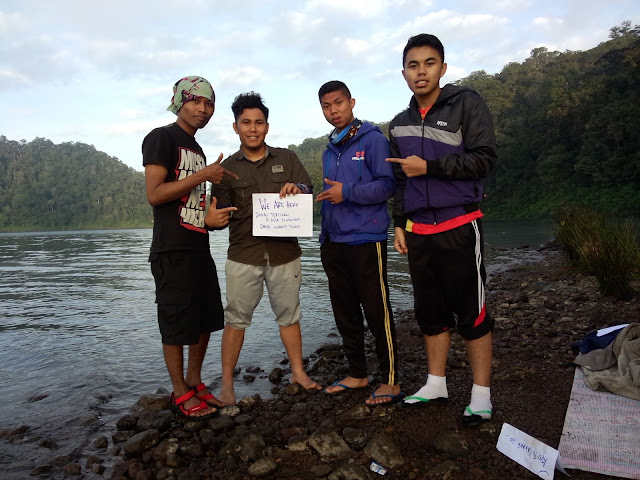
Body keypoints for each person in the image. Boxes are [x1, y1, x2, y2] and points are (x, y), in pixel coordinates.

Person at [386, 34, 498, 426]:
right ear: (404, 73)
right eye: (413, 65)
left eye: (429, 63)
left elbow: (484, 159)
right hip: (418, 231)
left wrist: (431, 167)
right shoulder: (398, 124)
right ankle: (436, 383)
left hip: (460, 224)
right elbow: (401, 181)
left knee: (472, 312)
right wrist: (399, 223)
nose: (421, 71)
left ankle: (481, 396)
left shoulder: (466, 103)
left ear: (443, 68)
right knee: (430, 312)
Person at [209, 91, 321, 405]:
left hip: (286, 255)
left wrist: (295, 189)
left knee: (289, 315)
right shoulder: (226, 169)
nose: (253, 128)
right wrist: (210, 219)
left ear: (267, 127)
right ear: (235, 127)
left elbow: (307, 190)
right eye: (246, 122)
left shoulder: (287, 158)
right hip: (243, 255)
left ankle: (298, 372)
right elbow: (218, 216)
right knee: (236, 320)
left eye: (259, 122)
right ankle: (227, 386)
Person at [142, 76, 238, 421]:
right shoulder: (161, 138)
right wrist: (204, 175)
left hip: (198, 246)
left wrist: (210, 221)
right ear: (179, 102)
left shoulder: (196, 149)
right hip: (171, 249)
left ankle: (195, 382)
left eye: (209, 103)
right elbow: (155, 195)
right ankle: (179, 390)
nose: (202, 108)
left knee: (203, 319)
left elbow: (193, 206)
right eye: (195, 101)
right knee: (175, 323)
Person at [316, 80, 402, 406]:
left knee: (378, 311)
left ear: (351, 102)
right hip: (333, 241)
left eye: (338, 103)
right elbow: (329, 193)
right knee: (345, 313)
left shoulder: (374, 140)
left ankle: (391, 381)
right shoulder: (329, 149)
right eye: (326, 106)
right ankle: (358, 373)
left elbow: (386, 186)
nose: (333, 110)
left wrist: (347, 192)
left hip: (367, 240)